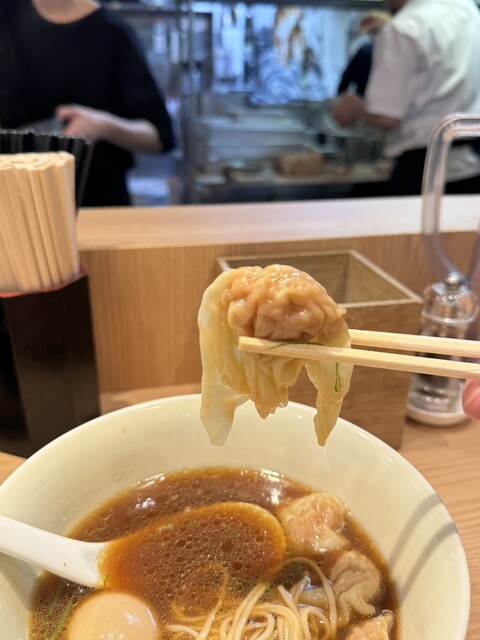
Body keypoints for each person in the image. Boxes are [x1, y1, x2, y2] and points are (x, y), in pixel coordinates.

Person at [0, 0, 175, 206]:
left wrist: (103, 126)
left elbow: (160, 137)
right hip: (15, 204)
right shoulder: (6, 17)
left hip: (96, 203)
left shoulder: (113, 33)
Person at [332, 0, 480, 196]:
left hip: (424, 170)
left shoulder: (403, 28)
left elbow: (387, 116)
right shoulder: (467, 9)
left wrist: (355, 108)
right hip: (471, 165)